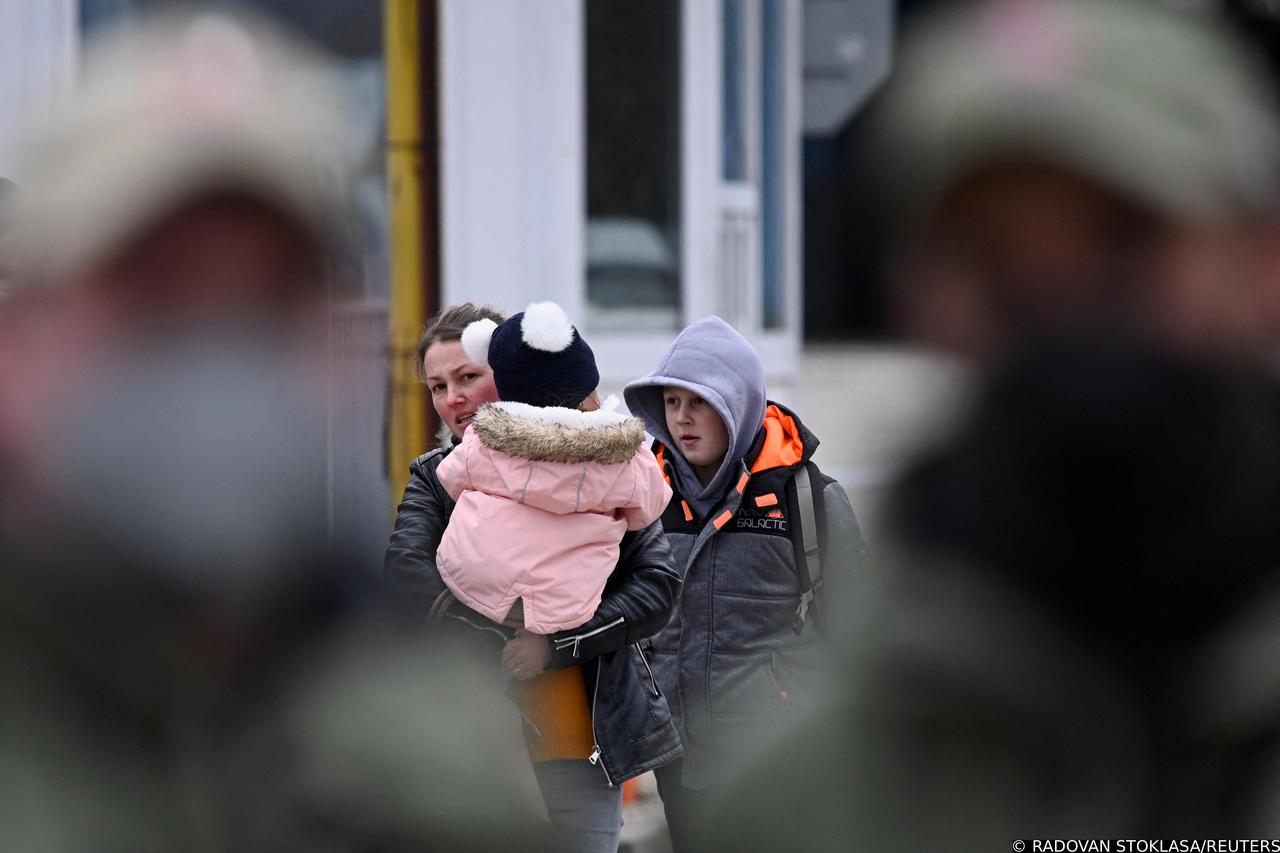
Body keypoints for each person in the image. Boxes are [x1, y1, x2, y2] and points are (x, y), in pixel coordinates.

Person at [0, 10, 551, 851]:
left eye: (269, 303)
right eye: (158, 295)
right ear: (21, 339)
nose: (215, 364)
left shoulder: (442, 765)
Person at [384, 302, 684, 853]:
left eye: (468, 377)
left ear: (508, 373)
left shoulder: (608, 465)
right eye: (437, 386)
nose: (454, 398)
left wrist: (554, 641)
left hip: (580, 743)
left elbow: (658, 585)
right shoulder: (438, 477)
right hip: (469, 744)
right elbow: (407, 577)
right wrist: (497, 640)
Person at [622, 315, 869, 851]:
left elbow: (861, 630)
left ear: (736, 402)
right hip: (676, 756)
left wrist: (794, 700)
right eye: (671, 402)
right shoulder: (644, 496)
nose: (682, 419)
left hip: (776, 755)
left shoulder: (809, 502)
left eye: (699, 402)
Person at [434, 300, 671, 645]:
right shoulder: (627, 458)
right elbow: (650, 507)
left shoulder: (482, 440)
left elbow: (450, 479)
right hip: (568, 606)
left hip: (471, 583)